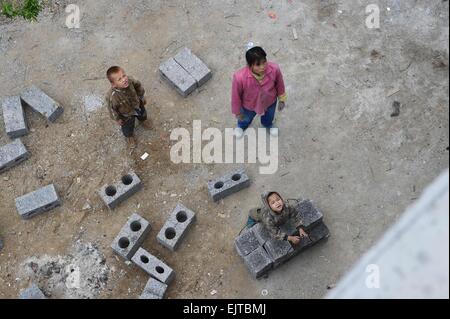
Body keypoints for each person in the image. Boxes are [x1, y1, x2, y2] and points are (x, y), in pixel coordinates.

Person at [231, 46, 287, 139]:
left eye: (264, 62)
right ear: (250, 65)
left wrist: (282, 99)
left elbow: (280, 84)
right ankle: (241, 126)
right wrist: (237, 112)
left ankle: (267, 124)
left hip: (270, 101)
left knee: (269, 115)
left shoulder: (275, 69)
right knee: (246, 118)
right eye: (258, 64)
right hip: (249, 105)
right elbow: (235, 96)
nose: (263, 67)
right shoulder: (239, 78)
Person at [105, 66, 153, 150]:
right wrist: (117, 119)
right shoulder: (112, 96)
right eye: (119, 79)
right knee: (127, 127)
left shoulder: (131, 81)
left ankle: (142, 121)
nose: (124, 79)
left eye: (124, 75)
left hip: (137, 105)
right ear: (113, 84)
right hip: (126, 115)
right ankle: (129, 136)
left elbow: (138, 87)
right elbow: (112, 109)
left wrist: (141, 97)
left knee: (143, 115)